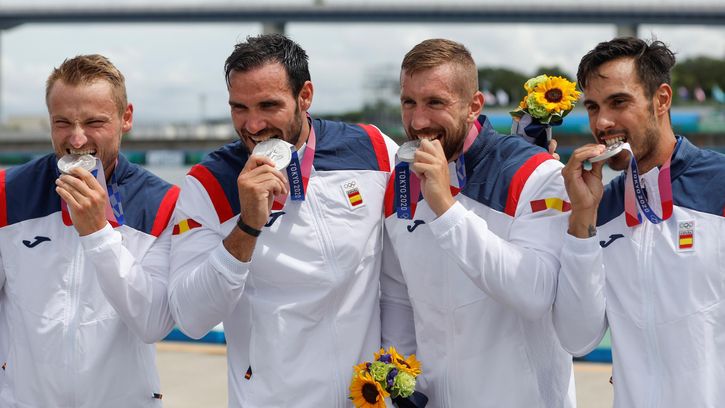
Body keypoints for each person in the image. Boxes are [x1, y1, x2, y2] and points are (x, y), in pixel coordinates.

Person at [167, 34, 398, 407]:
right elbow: (191, 318)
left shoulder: (373, 149)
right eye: (239, 108)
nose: (253, 125)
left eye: (268, 105)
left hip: (369, 397)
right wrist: (247, 227)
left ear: (305, 96)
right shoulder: (208, 184)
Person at [380, 38, 597, 407]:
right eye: (409, 103)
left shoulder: (536, 171)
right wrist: (401, 389)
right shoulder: (400, 182)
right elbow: (398, 296)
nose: (418, 122)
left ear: (474, 106)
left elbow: (536, 294)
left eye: (435, 103)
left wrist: (445, 209)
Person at [0, 54, 179, 407]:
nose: (77, 139)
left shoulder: (163, 203)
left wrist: (98, 233)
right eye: (63, 122)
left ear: (126, 117)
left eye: (95, 122)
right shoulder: (8, 192)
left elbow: (153, 323)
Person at [556, 36, 725, 407]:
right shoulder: (600, 208)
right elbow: (577, 339)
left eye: (619, 102)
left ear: (661, 100)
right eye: (593, 107)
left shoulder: (720, 185)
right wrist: (581, 221)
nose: (602, 122)